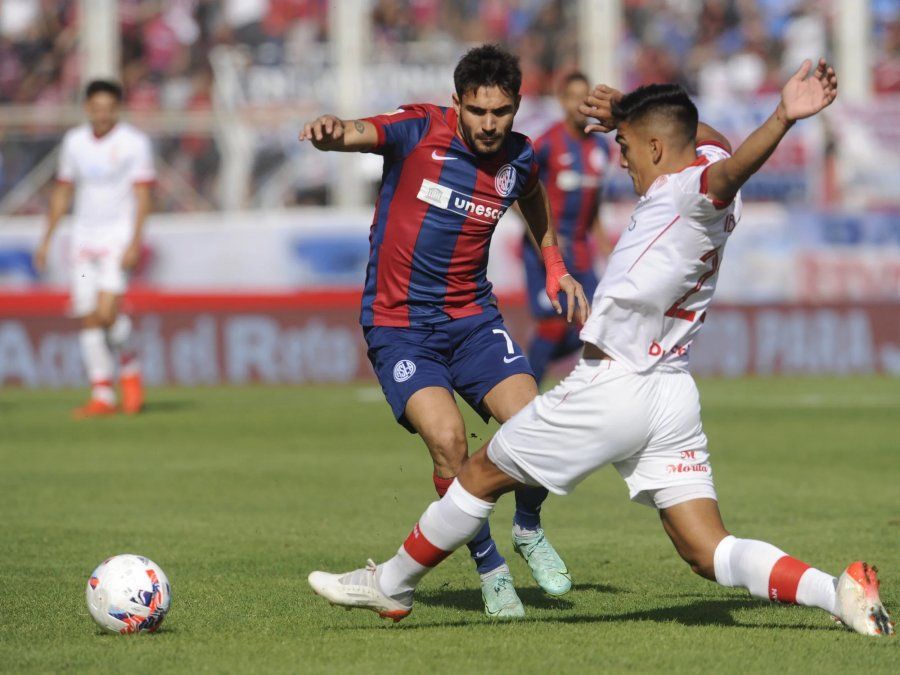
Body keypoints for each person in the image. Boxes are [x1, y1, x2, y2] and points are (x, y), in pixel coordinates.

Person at [307, 60, 895, 638]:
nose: (621, 156)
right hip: (671, 393)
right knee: (707, 549)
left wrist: (783, 117)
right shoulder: (699, 163)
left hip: (614, 386)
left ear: (660, 149)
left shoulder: (690, 193)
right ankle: (835, 592)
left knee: (478, 475)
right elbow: (711, 142)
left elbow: (730, 170)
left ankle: (391, 582)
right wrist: (632, 112)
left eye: (629, 145)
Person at [299, 44, 589, 617]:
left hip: (473, 321)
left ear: (516, 108)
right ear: (456, 103)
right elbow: (359, 132)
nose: (489, 124)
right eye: (478, 111)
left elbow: (532, 195)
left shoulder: (519, 158)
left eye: (501, 112)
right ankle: (489, 565)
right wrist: (333, 132)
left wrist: (554, 262)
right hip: (400, 327)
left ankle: (527, 528)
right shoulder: (418, 130)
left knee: (538, 427)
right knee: (450, 441)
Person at [34, 80, 154, 418]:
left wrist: (135, 240)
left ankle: (129, 366)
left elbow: (144, 195)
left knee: (106, 310)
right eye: (96, 108)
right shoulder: (74, 143)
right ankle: (102, 393)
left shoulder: (134, 143)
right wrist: (47, 239)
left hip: (117, 238)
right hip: (83, 242)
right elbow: (63, 191)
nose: (102, 114)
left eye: (109, 108)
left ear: (117, 108)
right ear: (87, 108)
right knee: (88, 314)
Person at [523, 71, 611, 384]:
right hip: (545, 248)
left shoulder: (601, 149)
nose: (579, 104)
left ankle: (528, 368)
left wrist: (604, 244)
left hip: (581, 248)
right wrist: (542, 242)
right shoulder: (546, 143)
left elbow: (595, 202)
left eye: (584, 98)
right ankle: (523, 394)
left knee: (597, 322)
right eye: (573, 97)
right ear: (562, 101)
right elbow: (521, 196)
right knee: (553, 322)